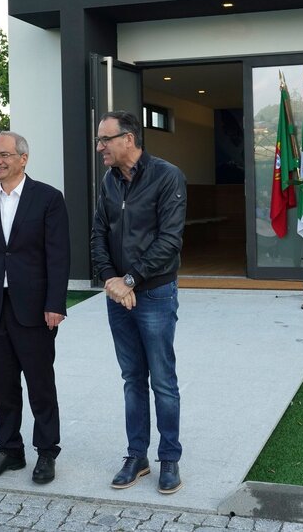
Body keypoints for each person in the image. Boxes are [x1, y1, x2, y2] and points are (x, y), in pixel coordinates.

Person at [90, 110, 187, 495]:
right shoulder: (108, 182)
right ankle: (137, 456)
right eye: (100, 141)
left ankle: (170, 458)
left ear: (128, 139)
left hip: (156, 293)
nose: (100, 147)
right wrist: (111, 280)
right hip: (119, 296)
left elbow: (170, 241)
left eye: (105, 140)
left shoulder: (167, 176)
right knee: (132, 378)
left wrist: (131, 279)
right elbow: (98, 233)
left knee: (162, 380)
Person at [0, 132, 71, 484]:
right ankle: (9, 450)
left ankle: (46, 452)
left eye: (5, 155)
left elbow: (59, 256)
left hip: (35, 308)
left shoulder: (48, 199)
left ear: (23, 159)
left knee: (40, 383)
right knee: (3, 383)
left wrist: (56, 303)